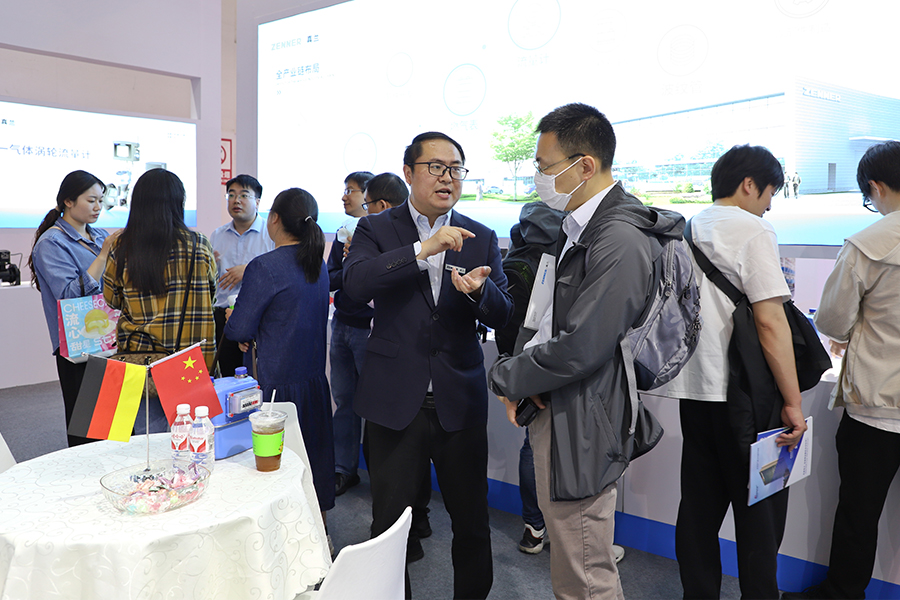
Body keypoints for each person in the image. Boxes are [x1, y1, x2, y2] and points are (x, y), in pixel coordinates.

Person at [488, 102, 681, 600]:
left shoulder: (617, 237)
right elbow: (548, 317)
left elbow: (581, 346)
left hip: (582, 415)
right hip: (563, 402)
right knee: (574, 558)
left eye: (545, 167)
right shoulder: (579, 228)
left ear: (585, 166)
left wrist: (506, 377)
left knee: (584, 572)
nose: (538, 177)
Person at [342, 132, 513, 599]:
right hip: (395, 400)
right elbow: (355, 285)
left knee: (471, 523)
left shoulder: (481, 236)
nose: (447, 177)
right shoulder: (377, 229)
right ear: (409, 172)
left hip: (458, 401)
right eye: (436, 167)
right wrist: (422, 250)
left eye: (456, 169)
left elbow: (503, 314)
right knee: (388, 528)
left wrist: (480, 291)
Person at [664, 145, 807, 599]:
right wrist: (793, 402)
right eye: (770, 193)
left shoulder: (687, 228)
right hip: (744, 394)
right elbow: (769, 321)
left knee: (698, 512)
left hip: (695, 390)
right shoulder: (752, 229)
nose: (769, 206)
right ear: (749, 185)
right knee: (760, 516)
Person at [783, 141, 900, 600]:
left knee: (858, 512)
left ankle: (844, 593)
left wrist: (852, 329)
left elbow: (831, 320)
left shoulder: (867, 245)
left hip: (877, 406)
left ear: (875, 186)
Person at [224, 188, 335, 517]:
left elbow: (238, 330)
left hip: (272, 388)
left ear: (273, 219)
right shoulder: (317, 264)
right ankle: (317, 529)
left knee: (272, 468)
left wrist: (234, 319)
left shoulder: (265, 266)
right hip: (312, 382)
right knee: (311, 461)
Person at [103, 169, 217, 434]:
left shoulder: (122, 247)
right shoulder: (198, 244)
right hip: (190, 360)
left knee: (145, 443)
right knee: (194, 439)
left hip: (139, 360)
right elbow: (211, 294)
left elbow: (112, 299)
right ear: (178, 203)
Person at [29, 170, 117, 447]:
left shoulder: (99, 234)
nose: (98, 207)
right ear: (68, 201)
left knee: (113, 423)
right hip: (79, 345)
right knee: (87, 429)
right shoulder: (51, 243)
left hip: (109, 338)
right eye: (91, 200)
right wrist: (104, 254)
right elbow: (70, 295)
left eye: (101, 201)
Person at [328, 171, 373, 496]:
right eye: (345, 190)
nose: (345, 196)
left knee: (376, 405)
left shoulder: (381, 234)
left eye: (352, 190)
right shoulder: (343, 233)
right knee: (344, 401)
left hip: (370, 329)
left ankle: (382, 474)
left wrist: (357, 269)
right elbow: (330, 277)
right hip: (341, 324)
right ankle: (344, 469)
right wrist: (349, 268)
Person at [209, 174, 274, 376]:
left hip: (258, 318)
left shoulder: (270, 234)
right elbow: (211, 281)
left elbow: (279, 272)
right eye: (231, 195)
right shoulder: (217, 235)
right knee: (227, 378)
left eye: (244, 195)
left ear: (257, 201)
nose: (236, 200)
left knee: (257, 379)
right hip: (223, 317)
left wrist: (249, 270)